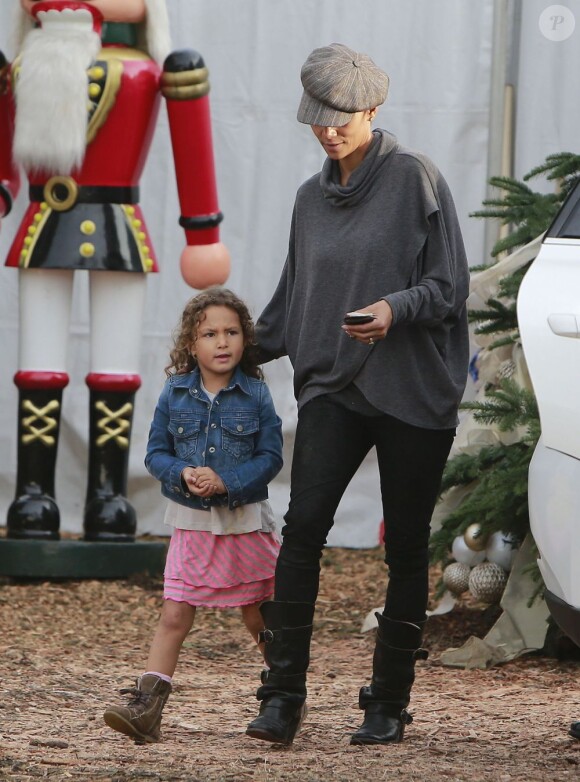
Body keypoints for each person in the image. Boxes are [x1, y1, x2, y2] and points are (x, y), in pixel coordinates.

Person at [245, 43, 470, 747]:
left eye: (344, 116)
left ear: (372, 109)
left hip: (411, 389)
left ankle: (389, 702)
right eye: (320, 117)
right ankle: (282, 696)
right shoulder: (310, 200)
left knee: (404, 546)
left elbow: (449, 288)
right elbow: (291, 305)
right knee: (303, 528)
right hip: (332, 388)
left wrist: (393, 310)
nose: (331, 129)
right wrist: (222, 345)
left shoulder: (415, 179)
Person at [0, 0, 229, 543]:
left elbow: (190, 145)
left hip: (117, 225)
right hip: (44, 223)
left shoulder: (153, 70)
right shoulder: (22, 67)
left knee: (116, 368)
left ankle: (108, 494)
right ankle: (34, 494)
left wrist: (204, 234)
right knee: (38, 364)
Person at [103, 287, 283, 744]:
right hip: (192, 523)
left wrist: (228, 481)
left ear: (244, 340)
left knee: (260, 615)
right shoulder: (174, 393)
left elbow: (271, 458)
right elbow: (155, 454)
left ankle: (284, 693)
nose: (222, 342)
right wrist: (183, 474)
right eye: (210, 333)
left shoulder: (257, 395)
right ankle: (147, 708)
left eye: (232, 332)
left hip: (244, 522)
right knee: (174, 615)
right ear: (191, 344)